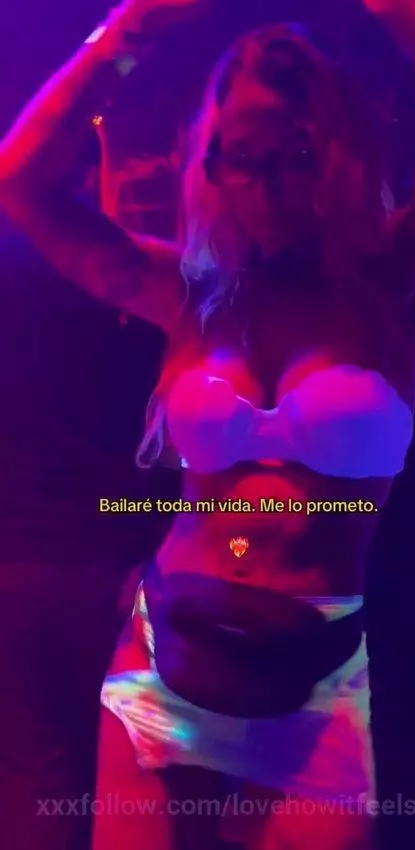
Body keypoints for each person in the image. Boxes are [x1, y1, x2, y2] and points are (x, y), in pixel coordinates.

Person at [0, 0, 415, 847]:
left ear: (336, 150)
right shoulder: (195, 296)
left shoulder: (400, 283)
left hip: (316, 683)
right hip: (163, 669)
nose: (264, 183)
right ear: (210, 163)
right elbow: (20, 182)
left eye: (293, 153)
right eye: (239, 156)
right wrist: (134, 24)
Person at [0, 133, 166, 850]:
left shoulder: (14, 267)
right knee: (129, 792)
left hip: (18, 557)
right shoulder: (134, 282)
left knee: (34, 783)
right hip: (112, 565)